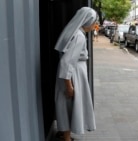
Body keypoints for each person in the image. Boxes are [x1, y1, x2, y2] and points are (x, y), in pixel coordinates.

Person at [54, 7, 97, 141]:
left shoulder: (74, 32)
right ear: (88, 21)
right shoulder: (79, 36)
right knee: (70, 103)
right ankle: (66, 138)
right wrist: (69, 86)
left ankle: (65, 134)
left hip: (70, 73)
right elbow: (66, 62)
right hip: (73, 74)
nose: (95, 25)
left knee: (65, 104)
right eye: (94, 21)